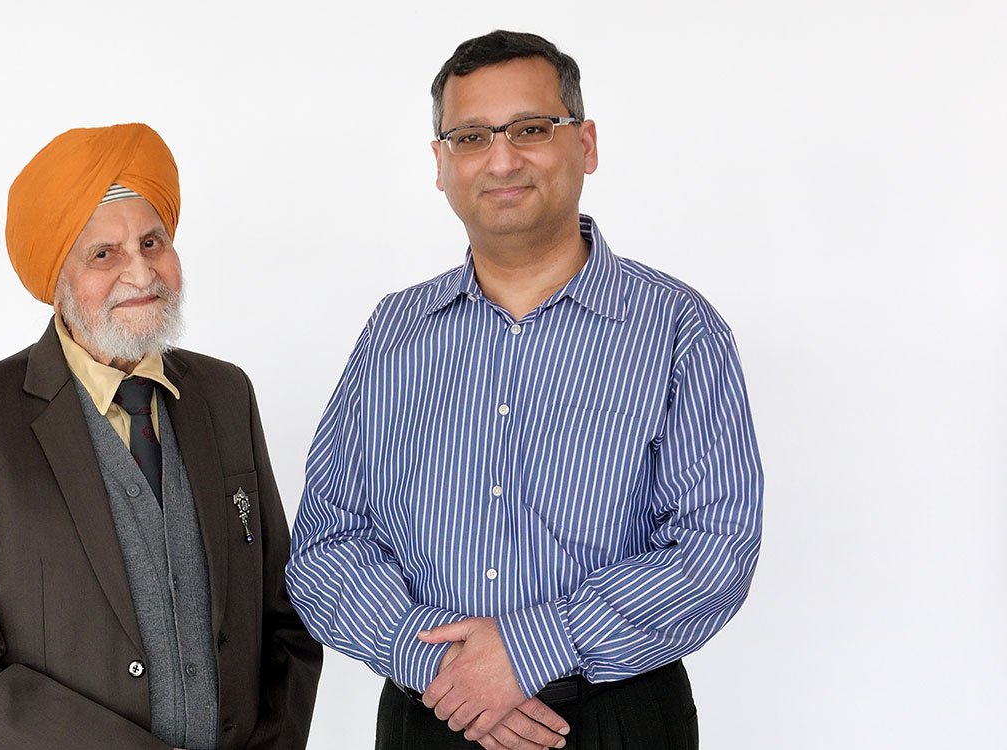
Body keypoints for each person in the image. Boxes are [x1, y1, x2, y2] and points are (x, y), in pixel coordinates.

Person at [287, 31, 762, 750]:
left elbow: (714, 549)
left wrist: (527, 650)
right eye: (472, 136)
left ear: (587, 144)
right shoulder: (393, 332)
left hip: (614, 719)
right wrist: (446, 666)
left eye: (531, 129)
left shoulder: (677, 330)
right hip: (429, 717)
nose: (502, 159)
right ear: (442, 165)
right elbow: (326, 545)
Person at [0, 123, 321, 750]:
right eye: (104, 253)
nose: (141, 271)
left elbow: (285, 614)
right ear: (57, 276)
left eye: (154, 242)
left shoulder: (225, 394)